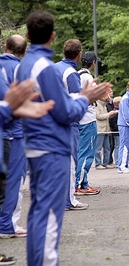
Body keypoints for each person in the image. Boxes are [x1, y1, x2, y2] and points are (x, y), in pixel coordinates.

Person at [16, 11, 112, 266]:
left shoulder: (24, 64)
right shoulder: (44, 68)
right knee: (49, 216)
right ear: (53, 36)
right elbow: (64, 112)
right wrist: (85, 98)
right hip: (50, 146)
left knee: (39, 212)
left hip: (34, 143)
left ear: (27, 36)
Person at [0, 66, 55, 266]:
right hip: (14, 134)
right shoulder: (20, 68)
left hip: (9, 132)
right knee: (13, 183)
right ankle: (8, 224)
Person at [54, 39, 89, 210]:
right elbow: (76, 100)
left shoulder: (55, 67)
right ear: (79, 54)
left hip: (52, 121)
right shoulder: (71, 73)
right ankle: (69, 200)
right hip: (68, 123)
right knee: (71, 162)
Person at [0, 34, 29, 239]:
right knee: (15, 179)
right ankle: (8, 223)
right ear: (23, 51)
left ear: (5, 46)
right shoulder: (21, 70)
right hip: (15, 130)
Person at [75, 51, 102, 195]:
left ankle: (81, 182)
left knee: (80, 151)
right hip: (88, 120)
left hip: (79, 119)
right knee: (87, 153)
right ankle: (80, 185)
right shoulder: (87, 77)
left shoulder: (77, 74)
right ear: (93, 63)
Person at [117, 81, 129, 173]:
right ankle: (122, 166)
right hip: (124, 125)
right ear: (128, 88)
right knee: (124, 145)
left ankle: (123, 165)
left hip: (125, 125)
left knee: (125, 145)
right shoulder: (126, 99)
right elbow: (126, 114)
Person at [95, 92, 118, 169]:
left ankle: (106, 162)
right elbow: (98, 116)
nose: (107, 98)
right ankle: (98, 163)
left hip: (106, 129)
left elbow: (106, 118)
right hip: (100, 129)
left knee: (107, 147)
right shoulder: (96, 104)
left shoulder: (104, 105)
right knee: (98, 148)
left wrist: (112, 115)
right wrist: (109, 114)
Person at [109, 96, 122, 167]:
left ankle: (119, 161)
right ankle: (117, 161)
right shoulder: (114, 112)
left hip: (118, 131)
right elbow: (113, 123)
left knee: (119, 146)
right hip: (116, 131)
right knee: (118, 146)